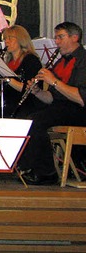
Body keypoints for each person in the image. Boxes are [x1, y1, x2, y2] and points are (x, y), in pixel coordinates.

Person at [18, 22, 86, 185]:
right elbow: (51, 98)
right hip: (62, 108)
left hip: (79, 110)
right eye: (56, 38)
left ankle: (47, 172)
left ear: (74, 37)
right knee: (28, 118)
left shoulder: (83, 61)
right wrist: (37, 92)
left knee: (35, 121)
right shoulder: (60, 62)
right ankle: (30, 167)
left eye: (60, 37)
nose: (57, 42)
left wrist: (53, 81)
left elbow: (81, 98)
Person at [0, 25, 43, 118]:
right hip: (10, 105)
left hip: (26, 105)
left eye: (10, 38)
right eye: (5, 39)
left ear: (21, 39)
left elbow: (29, 90)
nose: (6, 41)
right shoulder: (7, 63)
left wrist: (8, 79)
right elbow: (2, 94)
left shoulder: (31, 60)